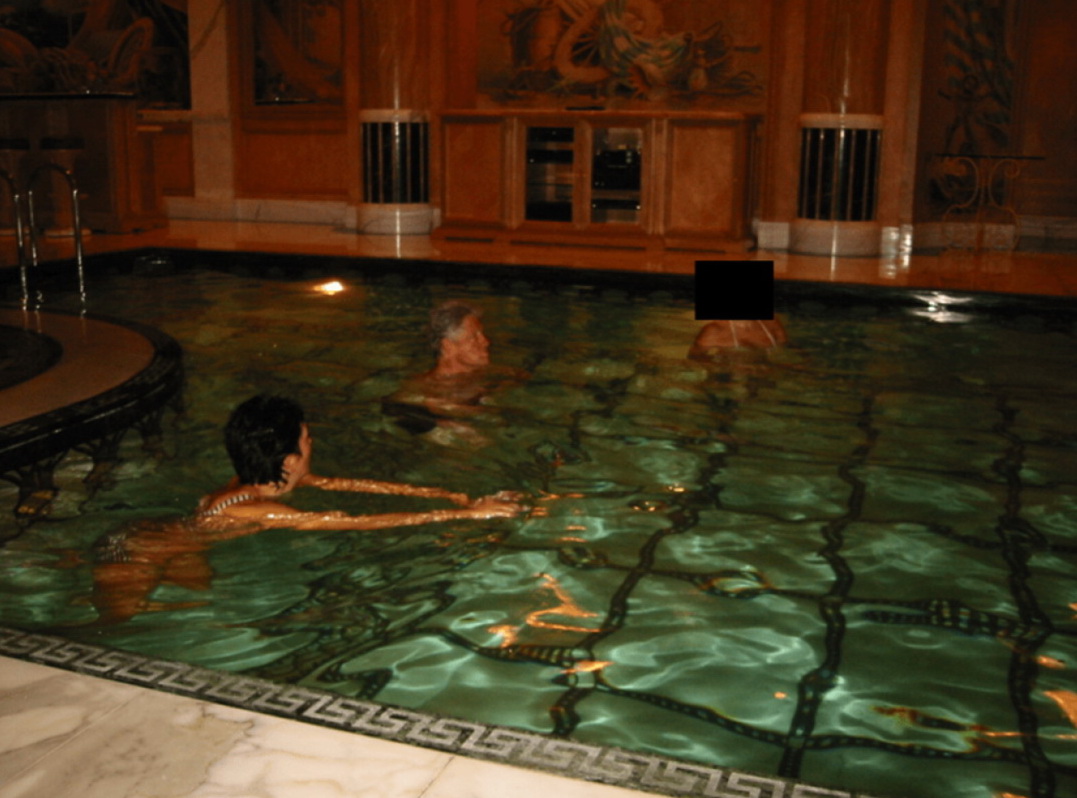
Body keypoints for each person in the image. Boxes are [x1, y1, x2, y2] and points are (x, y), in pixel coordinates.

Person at [84, 394, 522, 625]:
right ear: (291, 460)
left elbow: (354, 486)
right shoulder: (256, 509)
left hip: (179, 542)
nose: (314, 445)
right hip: (137, 549)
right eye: (308, 439)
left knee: (198, 601)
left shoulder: (268, 478)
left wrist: (449, 495)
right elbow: (359, 523)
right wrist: (465, 517)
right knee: (117, 621)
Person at [382, 301, 527, 440]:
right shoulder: (423, 389)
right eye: (474, 337)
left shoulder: (490, 373)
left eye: (482, 335)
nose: (486, 342)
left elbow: (520, 376)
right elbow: (395, 409)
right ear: (448, 346)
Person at [687, 317, 787, 359]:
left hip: (762, 378)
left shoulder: (771, 323)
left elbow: (786, 350)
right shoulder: (715, 330)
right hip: (727, 380)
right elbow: (694, 358)